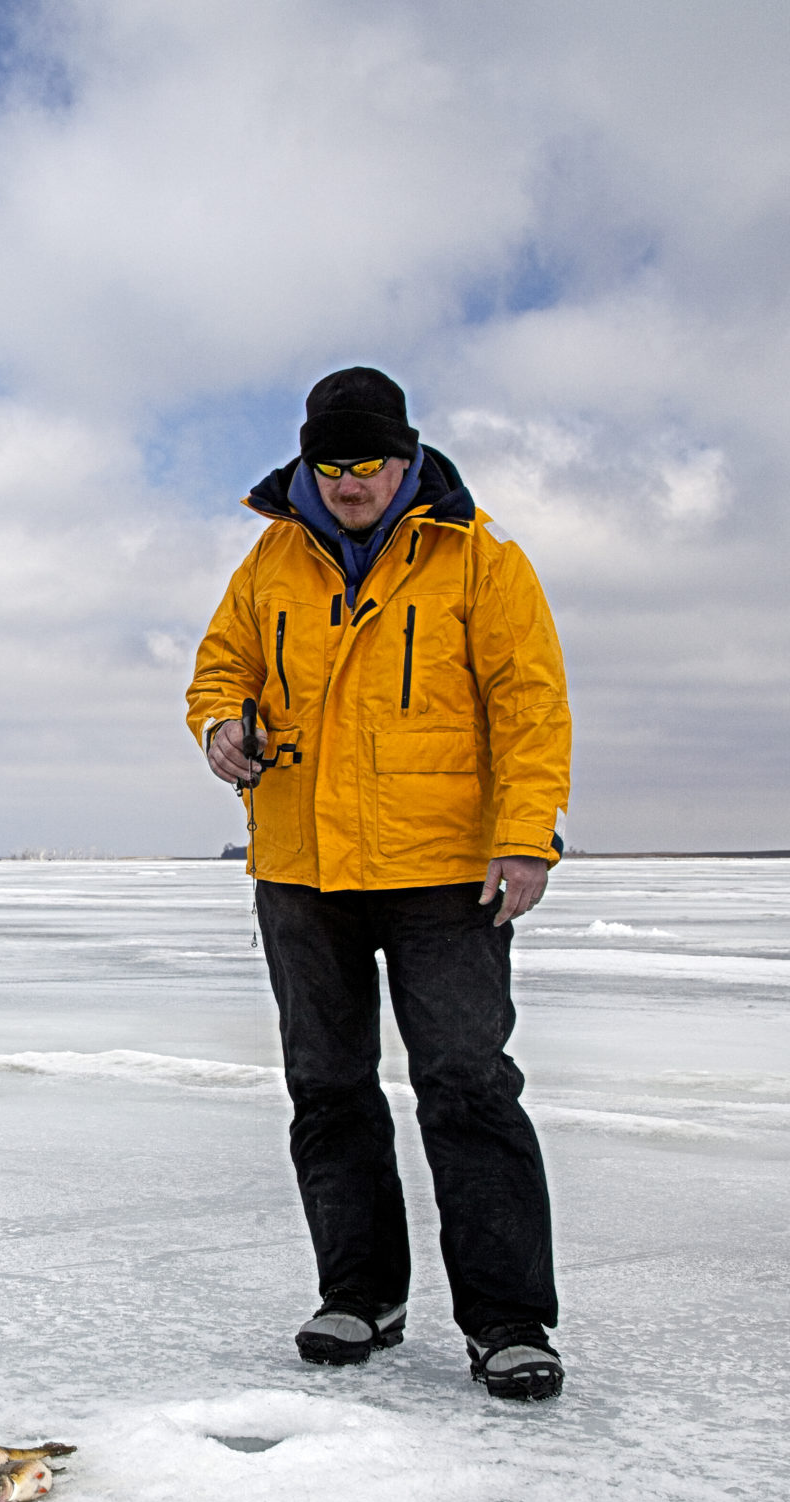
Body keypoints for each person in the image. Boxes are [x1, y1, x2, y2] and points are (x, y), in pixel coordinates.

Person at [184, 366, 573, 1400]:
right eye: (333, 464)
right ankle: (361, 1295)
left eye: (370, 463)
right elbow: (218, 667)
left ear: (405, 457)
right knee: (327, 1086)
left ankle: (505, 1320)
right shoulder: (269, 560)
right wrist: (221, 724)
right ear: (308, 461)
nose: (352, 483)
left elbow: (529, 704)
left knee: (466, 1083)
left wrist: (526, 836)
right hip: (302, 865)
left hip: (445, 868)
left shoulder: (478, 559)